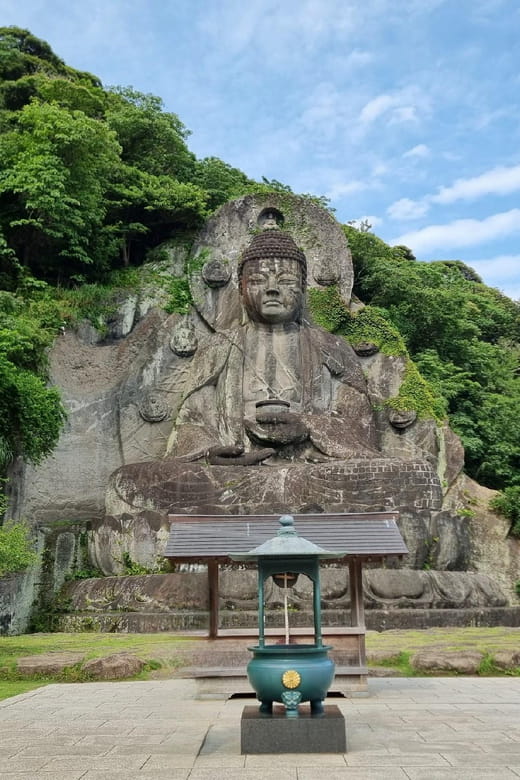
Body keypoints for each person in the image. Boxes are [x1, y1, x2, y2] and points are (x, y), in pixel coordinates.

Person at [166, 228, 379, 465]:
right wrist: (209, 453)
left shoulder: (331, 345)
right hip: (236, 467)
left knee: (408, 473)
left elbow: (360, 426)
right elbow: (191, 421)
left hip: (310, 464)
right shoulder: (218, 345)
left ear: (303, 289)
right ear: (242, 290)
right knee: (132, 478)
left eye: (286, 281)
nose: (272, 289)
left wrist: (308, 426)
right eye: (257, 280)